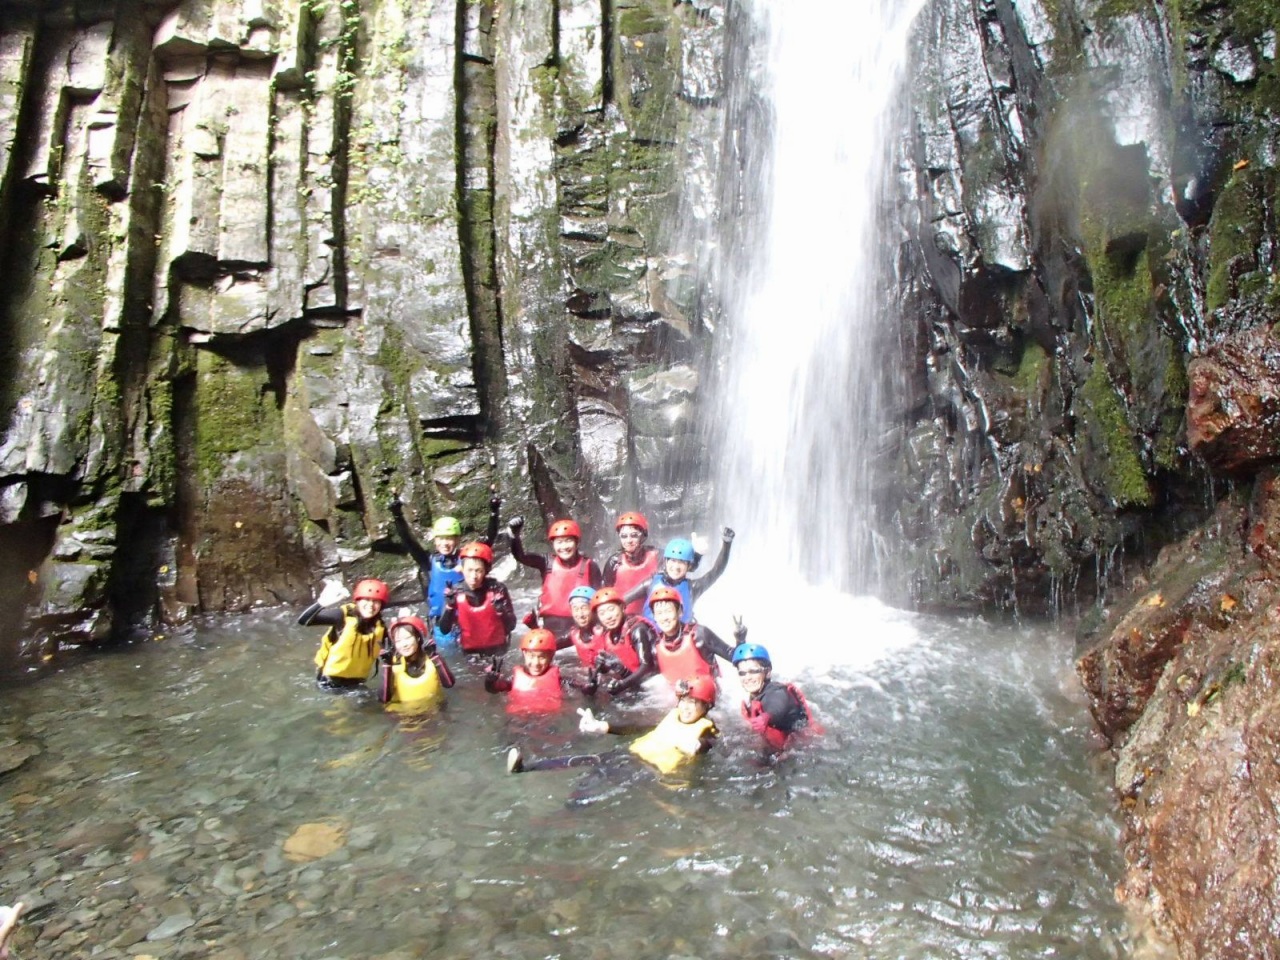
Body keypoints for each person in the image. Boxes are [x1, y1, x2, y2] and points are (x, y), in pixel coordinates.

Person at [505, 676, 719, 776]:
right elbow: (638, 727)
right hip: (631, 755)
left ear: (706, 707)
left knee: (594, 780)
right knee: (587, 760)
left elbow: (706, 744)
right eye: (684, 701)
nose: (686, 708)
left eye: (694, 704)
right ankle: (526, 768)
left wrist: (696, 747)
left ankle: (566, 813)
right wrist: (602, 726)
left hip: (647, 771)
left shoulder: (707, 729)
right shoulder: (672, 715)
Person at [388, 491, 501, 641]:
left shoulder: (467, 558)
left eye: (449, 539)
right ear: (435, 540)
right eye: (441, 539)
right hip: (441, 624)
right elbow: (409, 541)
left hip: (468, 622)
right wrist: (397, 516)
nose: (445, 544)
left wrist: (494, 513)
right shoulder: (428, 561)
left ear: (458, 539)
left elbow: (488, 541)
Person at [508, 515, 602, 637]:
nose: (564, 547)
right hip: (551, 626)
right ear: (553, 544)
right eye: (559, 542)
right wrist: (515, 536)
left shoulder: (590, 566)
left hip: (580, 625)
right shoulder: (546, 562)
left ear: (577, 542)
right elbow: (521, 556)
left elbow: (599, 600)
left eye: (568, 541)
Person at [624, 528, 735, 624]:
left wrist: (727, 544)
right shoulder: (652, 582)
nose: (676, 567)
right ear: (666, 562)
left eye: (681, 562)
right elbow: (623, 600)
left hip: (680, 641)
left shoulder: (693, 587)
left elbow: (717, 571)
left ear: (688, 566)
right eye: (673, 561)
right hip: (650, 638)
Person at [297, 578, 389, 689]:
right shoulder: (341, 616)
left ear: (381, 605)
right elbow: (303, 621)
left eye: (375, 601)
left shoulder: (381, 627)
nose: (370, 605)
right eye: (366, 599)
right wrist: (321, 604)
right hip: (330, 684)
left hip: (357, 684)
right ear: (358, 601)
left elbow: (393, 653)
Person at [732, 641, 819, 750]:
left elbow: (779, 702)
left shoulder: (776, 691)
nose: (747, 677)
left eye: (753, 671)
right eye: (742, 673)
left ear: (767, 672)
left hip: (807, 748)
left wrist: (766, 717)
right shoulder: (756, 694)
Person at [434, 541, 517, 656]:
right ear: (462, 569)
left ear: (485, 571)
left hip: (498, 650)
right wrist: (449, 607)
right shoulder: (455, 592)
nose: (473, 576)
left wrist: (501, 610)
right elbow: (444, 630)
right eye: (469, 570)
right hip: (470, 652)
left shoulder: (497, 589)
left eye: (478, 571)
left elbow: (512, 625)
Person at [647, 586, 739, 688]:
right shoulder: (656, 646)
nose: (664, 618)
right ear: (654, 617)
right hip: (680, 700)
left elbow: (734, 656)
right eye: (659, 613)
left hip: (709, 700)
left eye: (668, 611)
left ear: (680, 612)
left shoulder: (700, 634)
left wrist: (740, 640)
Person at [586, 586, 658, 696]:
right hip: (631, 682)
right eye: (602, 613)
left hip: (651, 685)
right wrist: (602, 667)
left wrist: (623, 684)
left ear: (621, 607)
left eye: (611, 609)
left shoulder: (637, 629)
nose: (608, 617)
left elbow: (646, 666)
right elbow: (613, 667)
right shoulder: (607, 635)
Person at [379, 615, 456, 708]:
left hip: (432, 711)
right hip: (404, 715)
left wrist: (434, 656)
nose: (404, 645)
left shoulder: (432, 658)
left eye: (408, 638)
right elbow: (384, 699)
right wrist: (387, 666)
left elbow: (449, 684)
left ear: (418, 638)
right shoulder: (393, 664)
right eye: (398, 641)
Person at [484, 628, 566, 714]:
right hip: (520, 717)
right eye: (531, 656)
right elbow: (494, 689)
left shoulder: (559, 680)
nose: (536, 663)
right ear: (524, 654)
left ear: (551, 657)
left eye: (542, 657)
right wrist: (490, 681)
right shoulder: (513, 679)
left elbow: (578, 686)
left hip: (547, 717)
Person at [601, 511, 661, 616]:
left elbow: (680, 570)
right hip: (623, 619)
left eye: (634, 535)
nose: (629, 541)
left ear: (643, 536)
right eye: (624, 536)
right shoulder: (614, 562)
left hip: (654, 617)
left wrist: (698, 555)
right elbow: (605, 593)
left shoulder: (658, 556)